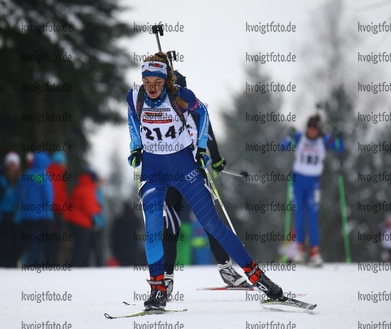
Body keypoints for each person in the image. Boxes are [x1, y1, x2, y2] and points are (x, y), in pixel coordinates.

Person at [127, 52, 284, 310]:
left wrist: (202, 149)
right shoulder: (135, 98)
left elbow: (204, 116)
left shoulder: (181, 96)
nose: (152, 88)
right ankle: (158, 290)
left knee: (213, 225)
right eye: (147, 82)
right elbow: (132, 120)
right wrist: (135, 147)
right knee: (155, 229)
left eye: (156, 82)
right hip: (153, 170)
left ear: (165, 79)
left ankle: (258, 277)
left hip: (183, 168)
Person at [161, 71, 250, 297]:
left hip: (194, 176)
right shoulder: (161, 111)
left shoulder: (197, 110)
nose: (176, 97)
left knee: (211, 223)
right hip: (170, 177)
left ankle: (226, 270)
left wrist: (216, 160)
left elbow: (209, 136)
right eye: (172, 92)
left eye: (179, 92)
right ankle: (166, 279)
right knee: (171, 226)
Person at [281, 115, 344, 267]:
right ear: (307, 128)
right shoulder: (299, 136)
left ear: (319, 129)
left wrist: (338, 136)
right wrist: (288, 136)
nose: (312, 131)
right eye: (310, 128)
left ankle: (315, 253)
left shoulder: (324, 139)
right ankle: (300, 251)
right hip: (298, 182)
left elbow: (340, 148)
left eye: (315, 129)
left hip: (313, 183)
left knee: (312, 218)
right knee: (299, 217)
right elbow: (283, 146)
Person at [16, 151, 53, 265]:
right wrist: (47, 211)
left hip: (24, 217)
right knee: (40, 243)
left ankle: (22, 262)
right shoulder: (43, 176)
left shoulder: (25, 175)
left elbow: (17, 196)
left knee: (25, 243)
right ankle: (36, 266)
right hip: (39, 216)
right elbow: (48, 197)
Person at [0, 151, 21, 267]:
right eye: (10, 165)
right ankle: (0, 268)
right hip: (3, 219)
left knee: (15, 246)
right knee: (3, 246)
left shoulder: (21, 180)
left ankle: (12, 268)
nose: (12, 168)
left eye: (14, 165)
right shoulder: (0, 181)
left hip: (16, 219)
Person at [66, 170, 101, 267]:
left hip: (73, 220)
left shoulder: (79, 186)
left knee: (78, 246)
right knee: (81, 248)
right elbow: (90, 208)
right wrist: (98, 208)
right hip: (82, 222)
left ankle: (76, 266)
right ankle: (76, 266)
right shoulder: (88, 189)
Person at [46, 152, 70, 264]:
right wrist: (64, 213)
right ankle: (52, 264)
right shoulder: (57, 174)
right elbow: (58, 196)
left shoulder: (49, 172)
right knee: (55, 242)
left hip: (50, 213)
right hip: (56, 213)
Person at [111, 202, 146, 266]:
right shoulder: (136, 220)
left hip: (121, 252)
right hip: (134, 251)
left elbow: (113, 237)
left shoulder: (118, 221)